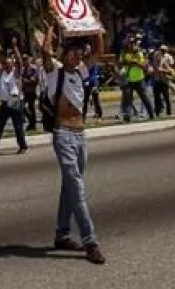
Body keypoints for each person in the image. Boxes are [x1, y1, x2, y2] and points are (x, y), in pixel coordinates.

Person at [41, 22, 106, 265]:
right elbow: (46, 54)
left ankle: (62, 234)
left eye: (79, 52)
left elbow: (99, 50)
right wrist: (49, 30)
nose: (77, 55)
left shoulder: (82, 72)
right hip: (64, 135)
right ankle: (91, 242)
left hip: (81, 135)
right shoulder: (54, 73)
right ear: (64, 54)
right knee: (77, 190)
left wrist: (94, 23)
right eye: (72, 51)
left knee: (70, 186)